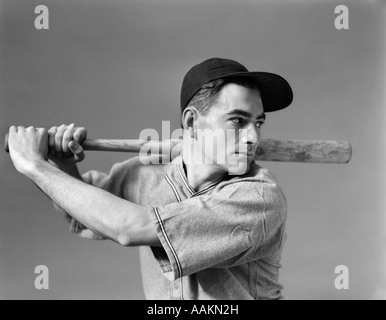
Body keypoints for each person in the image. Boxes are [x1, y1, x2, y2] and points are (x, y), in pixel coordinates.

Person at [7, 57, 293, 300]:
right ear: (192, 122)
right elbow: (82, 214)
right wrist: (64, 166)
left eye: (258, 122)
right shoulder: (145, 174)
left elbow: (127, 228)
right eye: (238, 120)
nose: (254, 136)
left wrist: (35, 166)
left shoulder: (259, 197)